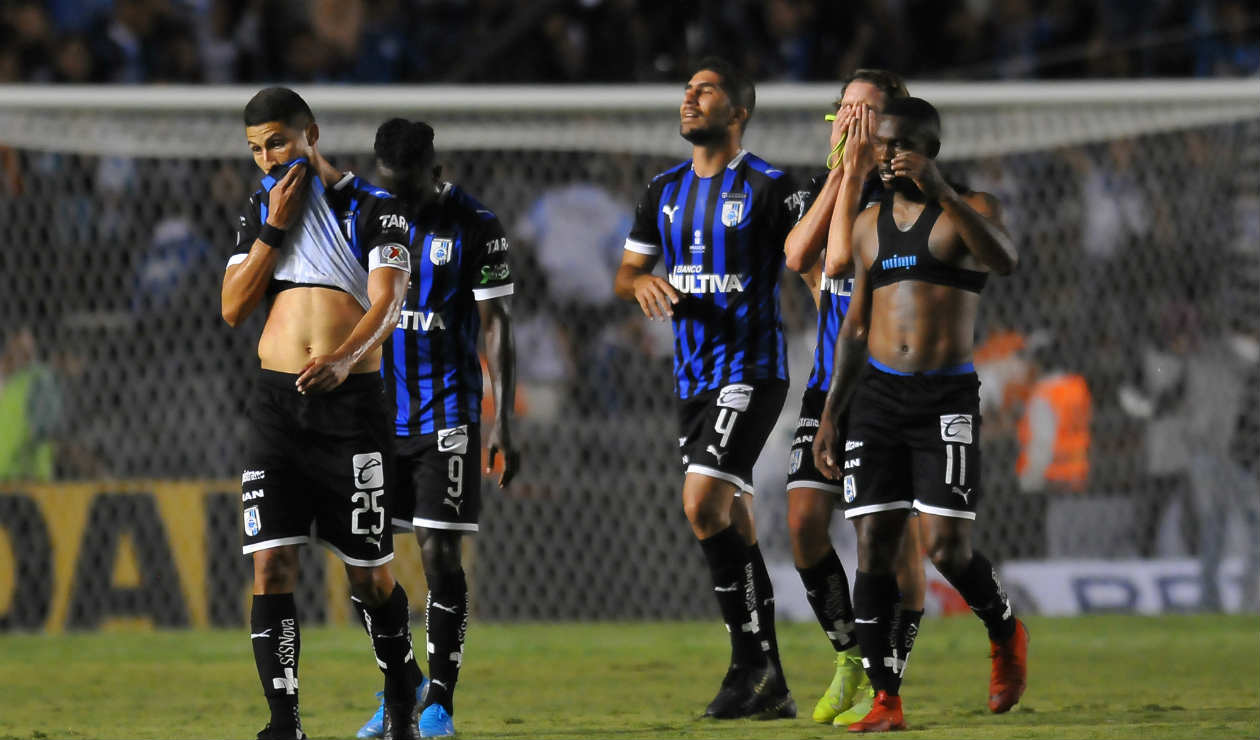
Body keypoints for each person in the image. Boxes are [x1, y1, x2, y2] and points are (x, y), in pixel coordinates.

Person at [812, 97, 1027, 732]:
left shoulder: (972, 209)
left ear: (926, 148)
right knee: (873, 547)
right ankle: (886, 699)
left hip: (944, 400)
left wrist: (944, 193)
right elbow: (853, 330)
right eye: (875, 144)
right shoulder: (866, 222)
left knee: (945, 548)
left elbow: (1005, 260)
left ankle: (1004, 629)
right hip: (876, 400)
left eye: (893, 144)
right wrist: (831, 414)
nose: (880, 155)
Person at [221, 87, 425, 740]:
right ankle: (284, 723)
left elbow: (388, 303)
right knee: (271, 562)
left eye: (277, 141)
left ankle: (402, 687)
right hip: (277, 408)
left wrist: (343, 358)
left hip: (351, 411)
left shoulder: (373, 208)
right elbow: (232, 307)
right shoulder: (260, 209)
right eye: (256, 149)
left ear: (312, 133)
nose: (268, 159)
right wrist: (274, 232)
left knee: (369, 577)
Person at [613, 56, 796, 720]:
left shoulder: (771, 187)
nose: (689, 99)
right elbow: (627, 273)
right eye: (687, 90)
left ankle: (745, 665)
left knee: (701, 505)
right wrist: (642, 285)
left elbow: (807, 259)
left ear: (738, 110)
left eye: (705, 90)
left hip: (751, 371)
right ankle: (769, 680)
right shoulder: (662, 190)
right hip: (693, 379)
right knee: (733, 522)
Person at [352, 118, 519, 739]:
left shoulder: (476, 225)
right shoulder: (366, 218)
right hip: (372, 416)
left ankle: (439, 699)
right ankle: (402, 684)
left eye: (410, 189)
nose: (400, 202)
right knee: (364, 561)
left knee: (437, 550)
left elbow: (497, 324)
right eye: (389, 187)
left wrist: (501, 420)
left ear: (435, 171)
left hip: (446, 413)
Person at [780, 69, 929, 728]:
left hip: (894, 383)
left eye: (863, 112)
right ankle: (849, 654)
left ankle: (885, 680)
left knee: (895, 543)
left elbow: (838, 261)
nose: (848, 121)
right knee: (805, 522)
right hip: (830, 385)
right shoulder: (826, 186)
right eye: (842, 109)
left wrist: (860, 168)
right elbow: (797, 256)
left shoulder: (905, 192)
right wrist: (842, 172)